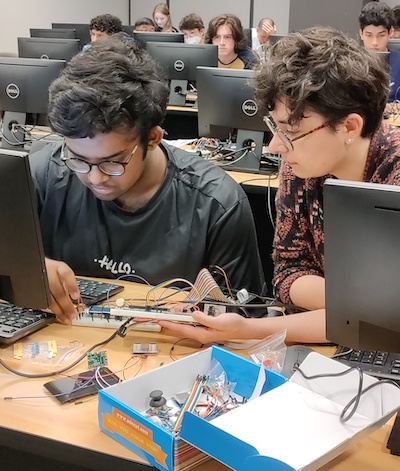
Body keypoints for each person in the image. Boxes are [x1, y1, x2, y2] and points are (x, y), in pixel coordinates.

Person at [159, 26, 400, 344]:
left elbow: (390, 319)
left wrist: (250, 330)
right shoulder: (300, 166)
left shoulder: (393, 172)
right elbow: (287, 275)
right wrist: (369, 306)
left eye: (291, 130)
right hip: (325, 343)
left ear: (349, 126)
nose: (275, 146)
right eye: (275, 126)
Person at [29, 33, 265, 324]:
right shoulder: (44, 172)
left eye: (113, 162)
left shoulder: (216, 203)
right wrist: (31, 267)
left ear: (152, 139)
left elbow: (245, 319)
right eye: (78, 159)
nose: (94, 177)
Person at [359, 1, 400, 102]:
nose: (374, 42)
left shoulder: (398, 62)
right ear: (361, 34)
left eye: (381, 35)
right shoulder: (350, 62)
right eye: (369, 35)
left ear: (390, 33)